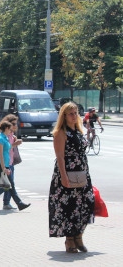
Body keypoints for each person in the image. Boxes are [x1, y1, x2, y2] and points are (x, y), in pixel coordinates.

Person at [49, 102, 94, 253]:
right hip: (67, 173)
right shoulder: (61, 132)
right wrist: (63, 177)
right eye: (71, 113)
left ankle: (79, 236)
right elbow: (60, 157)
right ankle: (70, 240)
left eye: (76, 113)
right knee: (70, 206)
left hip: (82, 173)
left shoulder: (79, 130)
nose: (74, 116)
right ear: (64, 116)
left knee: (85, 205)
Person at [0, 120, 30, 212]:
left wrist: (15, 144)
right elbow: (0, 154)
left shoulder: (5, 138)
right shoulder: (0, 139)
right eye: (10, 129)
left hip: (5, 165)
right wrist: (4, 168)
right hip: (0, 165)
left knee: (10, 185)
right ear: (6, 128)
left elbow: (8, 147)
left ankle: (20, 204)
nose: (11, 131)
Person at [0, 114, 23, 210]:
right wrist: (15, 144)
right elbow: (5, 149)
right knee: (6, 185)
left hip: (10, 162)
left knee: (8, 185)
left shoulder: (11, 136)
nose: (15, 126)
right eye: (13, 124)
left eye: (16, 124)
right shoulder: (4, 137)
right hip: (5, 164)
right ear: (7, 125)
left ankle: (7, 203)